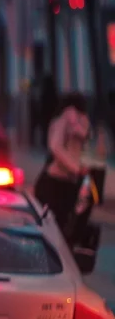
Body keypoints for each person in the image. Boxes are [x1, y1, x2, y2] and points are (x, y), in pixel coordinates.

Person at [34, 93, 91, 236]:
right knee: (60, 223)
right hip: (59, 180)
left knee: (57, 224)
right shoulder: (69, 117)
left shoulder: (67, 119)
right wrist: (76, 168)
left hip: (63, 179)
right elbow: (56, 146)